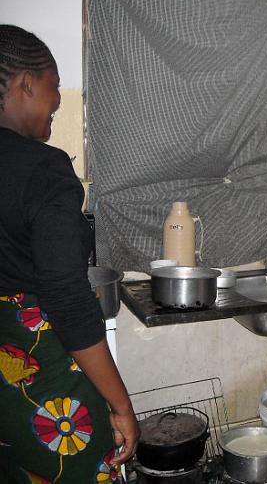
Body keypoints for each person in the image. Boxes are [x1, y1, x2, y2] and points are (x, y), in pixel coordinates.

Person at [0, 25, 139, 483]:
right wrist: (120, 404)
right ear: (26, 84)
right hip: (41, 378)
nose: (58, 100)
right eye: (54, 86)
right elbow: (66, 298)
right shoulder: (42, 169)